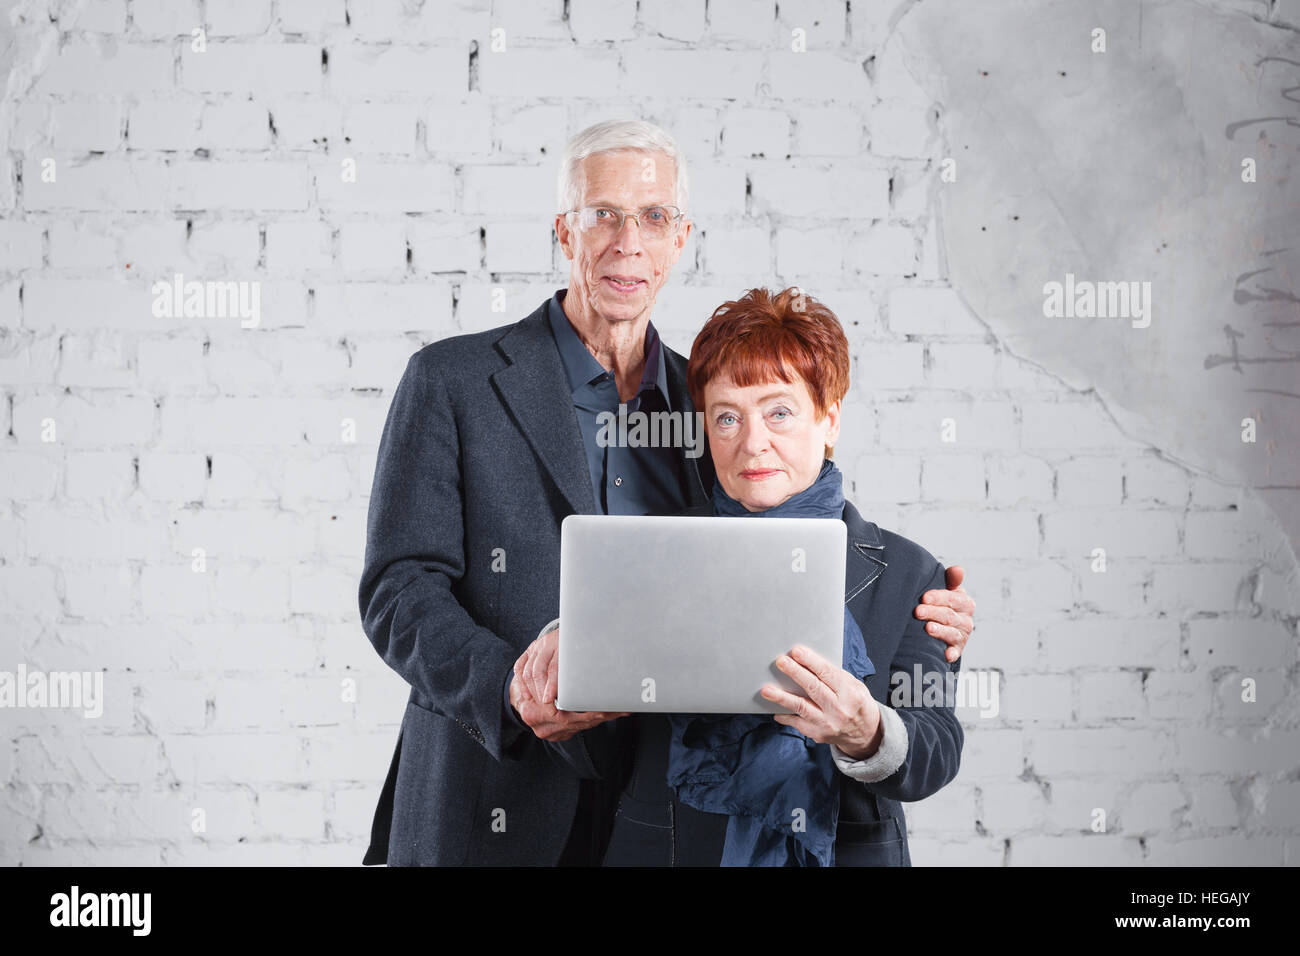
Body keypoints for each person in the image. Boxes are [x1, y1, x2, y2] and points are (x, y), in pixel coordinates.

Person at [360, 120, 976, 866]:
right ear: (564, 231)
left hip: (659, 810)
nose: (629, 241)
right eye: (603, 214)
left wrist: (917, 604)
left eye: (653, 217)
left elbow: (791, 527)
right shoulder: (451, 382)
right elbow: (398, 588)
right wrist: (508, 688)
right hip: (495, 789)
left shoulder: (709, 400)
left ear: (680, 240)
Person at [568, 287, 963, 866]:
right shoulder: (652, 550)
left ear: (828, 420)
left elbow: (937, 744)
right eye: (727, 417)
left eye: (779, 412)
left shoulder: (907, 570)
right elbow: (599, 719)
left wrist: (868, 731)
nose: (753, 442)